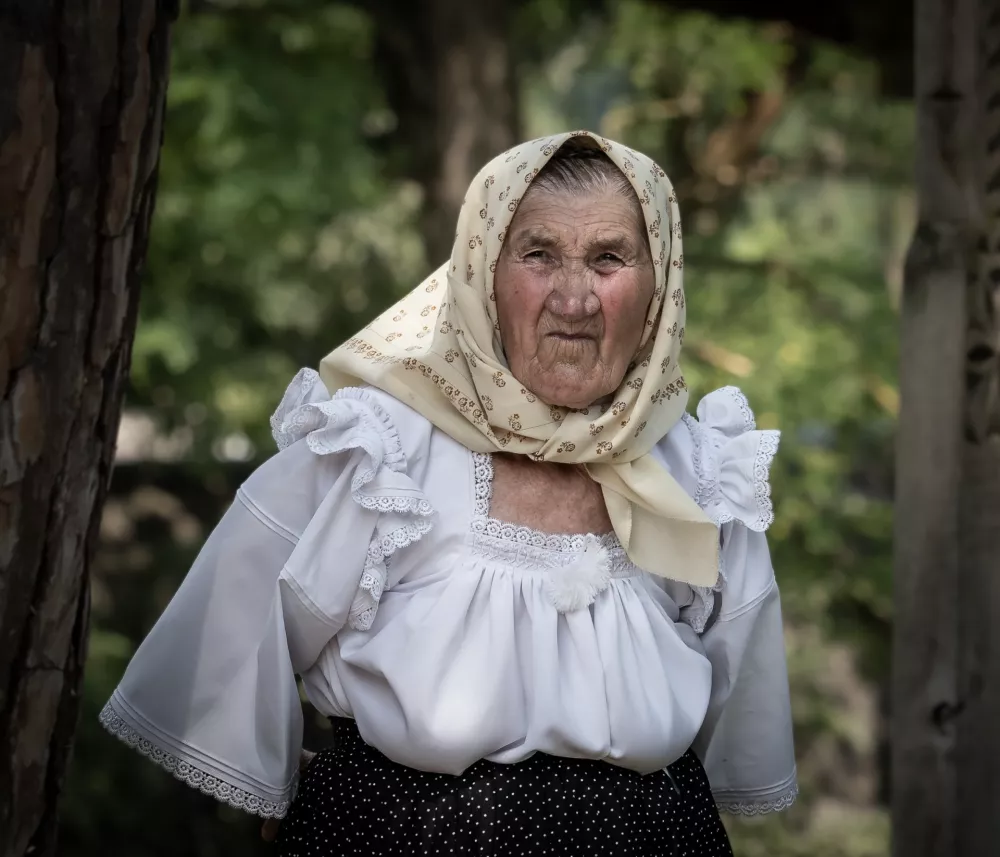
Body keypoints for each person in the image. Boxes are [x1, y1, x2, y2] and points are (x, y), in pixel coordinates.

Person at [101, 130, 796, 856]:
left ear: (660, 287)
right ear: (481, 274)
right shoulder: (380, 449)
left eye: (609, 258)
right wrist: (294, 784)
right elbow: (236, 626)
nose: (573, 297)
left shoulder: (700, 471)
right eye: (537, 255)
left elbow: (736, 700)